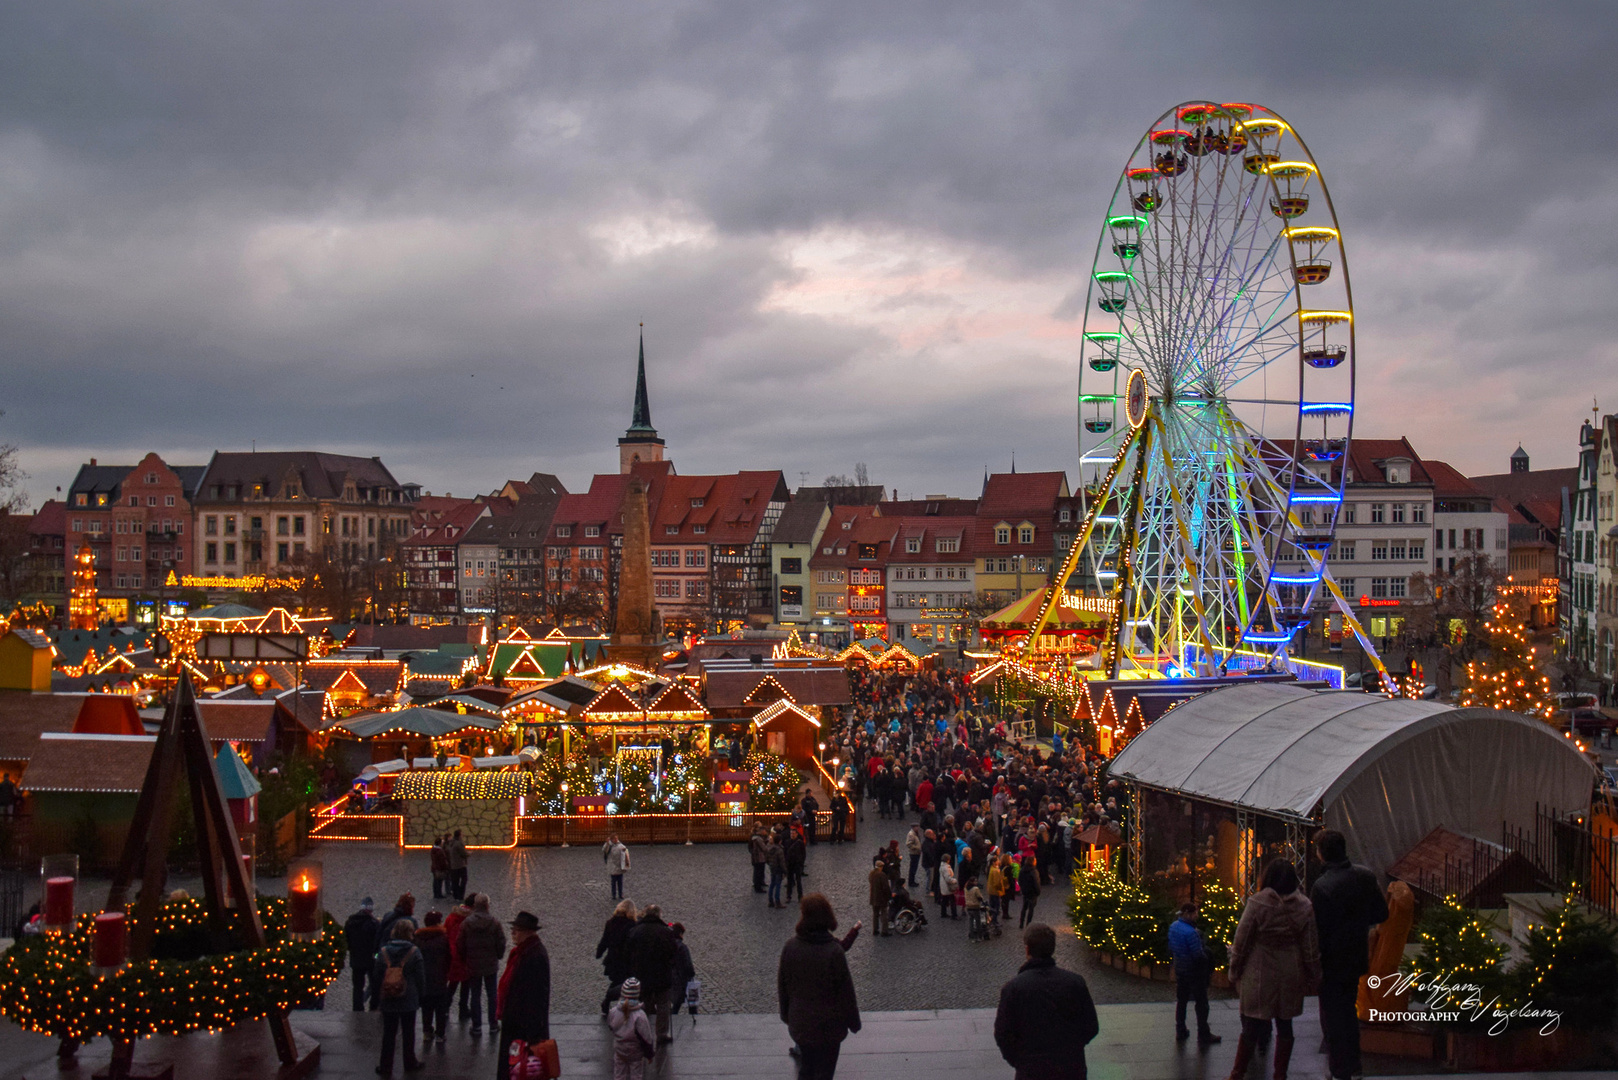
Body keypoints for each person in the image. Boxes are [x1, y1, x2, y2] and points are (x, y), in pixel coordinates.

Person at [1226, 860, 1321, 1080]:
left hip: (1259, 971)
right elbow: (1310, 946)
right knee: (1285, 1025)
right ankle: (1280, 1075)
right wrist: (1314, 974)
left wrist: (1234, 970)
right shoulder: (1305, 906)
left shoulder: (1257, 903)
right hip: (1290, 971)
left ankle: (1237, 1073)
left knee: (1251, 1025)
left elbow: (1241, 941)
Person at [1310, 830, 1388, 1080]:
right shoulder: (1364, 876)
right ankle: (1353, 1066)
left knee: (1332, 1017)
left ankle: (1339, 1068)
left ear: (1321, 853)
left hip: (1331, 960)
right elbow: (1381, 914)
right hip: (1356, 955)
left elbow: (1317, 931)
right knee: (1348, 1012)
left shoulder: (1322, 887)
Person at [994, 924, 1099, 1080]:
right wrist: (1073, 1049)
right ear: (1053, 948)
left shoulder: (1013, 988)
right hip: (1070, 1068)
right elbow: (1091, 1026)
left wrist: (1020, 1061)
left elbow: (1003, 1033)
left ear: (1027, 950)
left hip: (1031, 1070)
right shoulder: (1075, 982)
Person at [777, 894, 861, 1080]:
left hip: (801, 1023)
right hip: (829, 1026)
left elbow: (783, 987)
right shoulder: (833, 951)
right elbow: (846, 992)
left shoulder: (790, 947)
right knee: (825, 1072)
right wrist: (853, 1022)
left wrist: (786, 1015)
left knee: (807, 1068)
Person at [496, 911, 551, 1080]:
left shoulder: (534, 956)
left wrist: (533, 1035)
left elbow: (537, 998)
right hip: (516, 1025)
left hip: (524, 1030)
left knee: (520, 1070)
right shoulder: (523, 952)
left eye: (517, 930)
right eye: (513, 929)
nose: (513, 933)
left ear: (528, 932)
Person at [369, 919, 425, 1075]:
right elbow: (420, 977)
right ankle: (410, 1062)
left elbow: (377, 976)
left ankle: (386, 1065)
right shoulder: (414, 952)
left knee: (389, 1033)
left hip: (388, 996)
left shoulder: (384, 951)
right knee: (409, 1032)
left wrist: (378, 996)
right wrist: (421, 995)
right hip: (408, 997)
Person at [1168, 903, 1220, 1047]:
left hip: (1180, 969)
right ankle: (1203, 1033)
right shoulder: (1191, 933)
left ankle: (1180, 1030)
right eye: (1196, 913)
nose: (1197, 915)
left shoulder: (1173, 927)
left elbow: (1171, 947)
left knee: (1182, 1001)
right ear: (1189, 914)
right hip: (1194, 971)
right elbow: (1198, 954)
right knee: (1202, 1002)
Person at [626, 902, 678, 1045]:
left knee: (644, 1005)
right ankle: (661, 1033)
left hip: (642, 974)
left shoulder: (636, 930)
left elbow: (628, 951)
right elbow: (673, 952)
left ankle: (642, 1031)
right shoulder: (666, 932)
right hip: (662, 974)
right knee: (663, 1005)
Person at [458, 894, 507, 1035]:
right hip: (490, 964)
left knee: (475, 995)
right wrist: (498, 955)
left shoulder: (467, 923)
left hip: (473, 964)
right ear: (487, 905)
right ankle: (493, 1024)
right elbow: (501, 942)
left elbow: (460, 943)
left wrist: (465, 958)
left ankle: (476, 1025)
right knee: (492, 995)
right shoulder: (494, 923)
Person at [415, 910, 452, 1043]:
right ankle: (440, 1034)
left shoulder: (418, 938)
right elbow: (449, 958)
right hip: (440, 977)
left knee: (427, 1007)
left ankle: (427, 1031)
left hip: (424, 978)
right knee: (440, 1008)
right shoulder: (443, 938)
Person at [608, 977, 655, 1080]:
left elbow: (611, 1026)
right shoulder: (640, 1016)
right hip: (635, 1052)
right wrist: (649, 1054)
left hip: (619, 1049)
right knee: (636, 1074)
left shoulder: (614, 1011)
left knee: (619, 1073)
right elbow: (646, 1037)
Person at [596, 899, 638, 1013]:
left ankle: (610, 1002)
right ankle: (613, 1003)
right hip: (626, 960)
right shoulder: (632, 925)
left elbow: (604, 940)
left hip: (612, 959)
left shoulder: (610, 922)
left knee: (618, 981)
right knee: (623, 983)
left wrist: (599, 952)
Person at [345, 897, 381, 1011]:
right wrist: (376, 956)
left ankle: (357, 1008)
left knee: (357, 987)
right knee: (375, 985)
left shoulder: (350, 922)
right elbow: (378, 944)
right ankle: (373, 1007)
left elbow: (346, 941)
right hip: (371, 960)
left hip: (356, 959)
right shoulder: (374, 924)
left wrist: (352, 951)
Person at [445, 896, 473, 1022]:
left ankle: (445, 1007)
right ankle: (463, 1008)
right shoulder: (469, 920)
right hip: (464, 955)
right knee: (465, 983)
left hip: (452, 953)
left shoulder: (452, 917)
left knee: (453, 983)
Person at [670, 922, 696, 1015]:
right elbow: (688, 965)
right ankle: (693, 1016)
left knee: (676, 1003)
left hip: (672, 978)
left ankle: (672, 1017)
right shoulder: (682, 948)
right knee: (692, 1002)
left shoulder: (668, 945)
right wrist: (691, 974)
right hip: (683, 979)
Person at [867, 855, 892, 937]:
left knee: (875, 914)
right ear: (880, 867)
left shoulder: (871, 874)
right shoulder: (882, 875)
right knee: (884, 913)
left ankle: (875, 930)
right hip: (881, 898)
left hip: (873, 897)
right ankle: (884, 931)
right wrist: (889, 897)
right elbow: (886, 888)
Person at [1016, 854, 1041, 929]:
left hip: (1025, 891)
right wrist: (1038, 892)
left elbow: (1019, 880)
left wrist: (1022, 888)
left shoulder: (1022, 870)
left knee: (1024, 908)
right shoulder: (1034, 871)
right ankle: (1028, 924)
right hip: (1032, 893)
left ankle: (1021, 923)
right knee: (1031, 909)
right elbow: (1036, 883)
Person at [603, 834, 630, 901]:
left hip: (619, 866)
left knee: (620, 882)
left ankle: (620, 894)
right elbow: (604, 850)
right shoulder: (609, 846)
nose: (616, 840)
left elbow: (625, 851)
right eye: (614, 839)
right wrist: (607, 843)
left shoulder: (620, 845)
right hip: (613, 866)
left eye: (616, 838)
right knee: (613, 882)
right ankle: (614, 894)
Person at [766, 828, 788, 909]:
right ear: (780, 841)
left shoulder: (770, 849)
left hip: (772, 868)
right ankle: (777, 902)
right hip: (778, 869)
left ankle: (770, 901)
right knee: (778, 885)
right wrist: (785, 871)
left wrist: (771, 864)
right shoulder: (780, 850)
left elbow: (767, 859)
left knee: (772, 884)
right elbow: (782, 862)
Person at [785, 828, 807, 903]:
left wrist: (801, 863)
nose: (792, 835)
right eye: (791, 834)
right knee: (790, 881)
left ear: (796, 834)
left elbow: (803, 854)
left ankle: (800, 896)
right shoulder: (787, 842)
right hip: (790, 864)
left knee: (798, 881)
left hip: (797, 864)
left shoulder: (800, 843)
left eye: (793, 833)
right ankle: (789, 896)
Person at [446, 829, 469, 900]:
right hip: (460, 865)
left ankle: (455, 895)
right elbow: (463, 853)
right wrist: (469, 854)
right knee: (463, 880)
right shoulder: (458, 844)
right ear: (459, 835)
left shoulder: (452, 843)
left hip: (453, 865)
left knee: (455, 881)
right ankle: (460, 895)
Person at [749, 825, 769, 893]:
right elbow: (764, 848)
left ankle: (757, 885)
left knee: (756, 872)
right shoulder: (758, 839)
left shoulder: (754, 838)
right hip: (760, 858)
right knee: (759, 872)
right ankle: (758, 887)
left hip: (755, 857)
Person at [904, 823, 922, 888]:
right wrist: (916, 848)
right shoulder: (911, 834)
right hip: (914, 853)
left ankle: (912, 881)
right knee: (913, 868)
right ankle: (911, 882)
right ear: (913, 827)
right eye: (917, 827)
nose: (918, 828)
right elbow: (908, 844)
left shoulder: (915, 833)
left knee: (914, 867)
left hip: (916, 853)